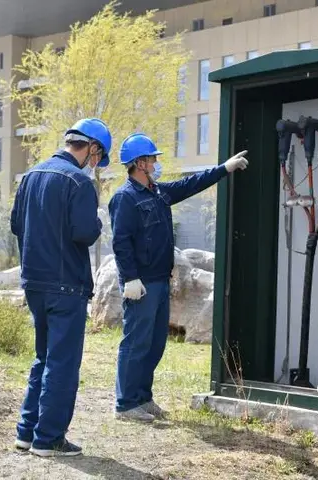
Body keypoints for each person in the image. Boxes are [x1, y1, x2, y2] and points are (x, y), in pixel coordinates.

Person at [109, 133, 248, 422]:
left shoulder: (157, 193)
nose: (156, 163)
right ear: (139, 163)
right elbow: (121, 242)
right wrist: (130, 279)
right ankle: (125, 404)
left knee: (155, 342)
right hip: (141, 284)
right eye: (152, 159)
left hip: (160, 280)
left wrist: (224, 168)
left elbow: (190, 184)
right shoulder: (125, 198)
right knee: (136, 342)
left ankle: (142, 398)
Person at [10, 118, 112, 457]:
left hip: (34, 282)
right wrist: (97, 220)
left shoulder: (30, 177)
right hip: (66, 284)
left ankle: (26, 433)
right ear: (92, 148)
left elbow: (15, 225)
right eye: (98, 156)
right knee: (63, 364)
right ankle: (49, 438)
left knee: (43, 357)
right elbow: (84, 232)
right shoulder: (79, 183)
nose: (95, 164)